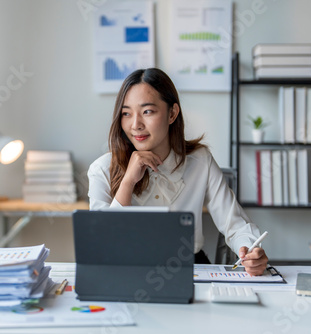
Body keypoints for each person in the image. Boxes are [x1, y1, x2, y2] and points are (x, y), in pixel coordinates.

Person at [87, 68, 268, 276]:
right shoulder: (101, 169)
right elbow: (102, 245)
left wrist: (250, 250)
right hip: (128, 271)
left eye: (147, 111)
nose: (135, 125)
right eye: (126, 113)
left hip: (190, 270)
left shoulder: (200, 160)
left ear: (172, 113)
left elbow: (235, 224)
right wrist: (127, 182)